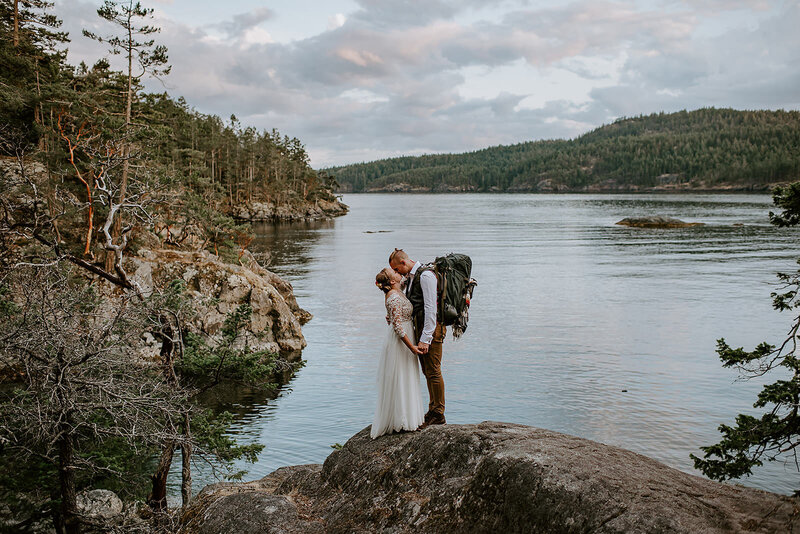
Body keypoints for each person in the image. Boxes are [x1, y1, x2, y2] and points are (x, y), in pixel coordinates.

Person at [389, 248, 446, 428]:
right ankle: (433, 410)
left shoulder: (426, 276)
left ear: (404, 263)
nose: (397, 274)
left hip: (432, 330)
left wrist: (426, 338)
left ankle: (439, 413)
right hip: (422, 328)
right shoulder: (412, 278)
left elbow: (431, 309)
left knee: (434, 370)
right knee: (428, 371)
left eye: (397, 269)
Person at [370, 268, 425, 438]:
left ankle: (409, 418)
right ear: (392, 281)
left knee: (406, 376)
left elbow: (392, 318)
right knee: (401, 377)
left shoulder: (398, 292)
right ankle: (400, 420)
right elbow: (398, 327)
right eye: (394, 273)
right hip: (401, 342)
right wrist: (412, 347)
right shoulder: (394, 297)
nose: (398, 273)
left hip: (405, 337)